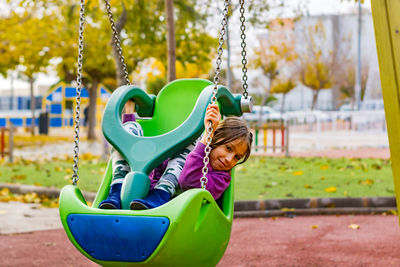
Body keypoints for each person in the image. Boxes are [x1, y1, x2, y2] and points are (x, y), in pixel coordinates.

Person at [99, 103, 253, 210]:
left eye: (236, 158)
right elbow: (149, 161)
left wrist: (205, 137)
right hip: (138, 190)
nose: (229, 159)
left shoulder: (221, 178)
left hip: (171, 207)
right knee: (128, 130)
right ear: (215, 137)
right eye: (228, 148)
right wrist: (129, 117)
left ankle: (161, 193)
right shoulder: (185, 151)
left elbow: (189, 180)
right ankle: (116, 191)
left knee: (192, 140)